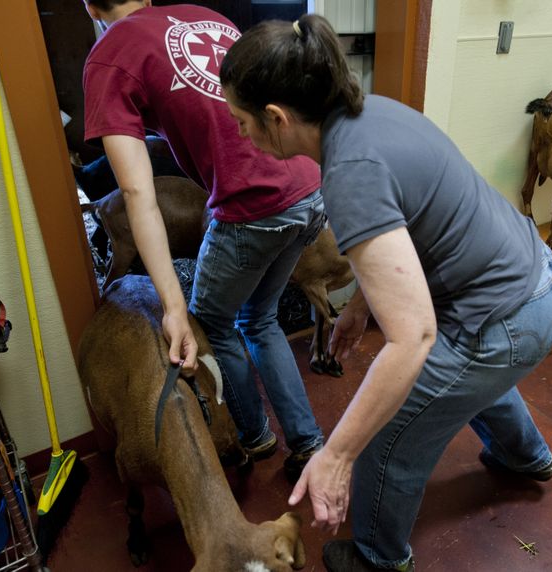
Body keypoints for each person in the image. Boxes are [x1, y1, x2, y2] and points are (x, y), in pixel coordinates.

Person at [220, 14, 552, 572]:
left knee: (385, 435)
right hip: (535, 284)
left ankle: (378, 559)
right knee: (465, 376)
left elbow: (413, 339)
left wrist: (337, 455)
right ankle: (526, 457)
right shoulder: (369, 112)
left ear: (276, 118)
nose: (240, 134)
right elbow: (417, 231)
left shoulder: (349, 171)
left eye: (241, 121)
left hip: (504, 321)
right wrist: (361, 304)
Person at [81, 0, 325, 480]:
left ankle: (254, 437)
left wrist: (173, 307)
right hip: (310, 189)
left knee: (211, 322)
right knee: (260, 318)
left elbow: (136, 190)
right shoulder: (206, 15)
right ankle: (308, 443)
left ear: (90, 6)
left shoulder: (109, 55)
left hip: (252, 204)